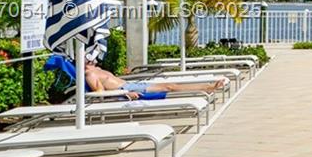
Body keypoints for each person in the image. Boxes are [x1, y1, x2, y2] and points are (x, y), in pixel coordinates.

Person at [84, 61, 223, 100]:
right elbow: (100, 94)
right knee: (169, 87)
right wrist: (124, 95)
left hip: (131, 85)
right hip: (127, 90)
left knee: (170, 85)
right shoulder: (90, 74)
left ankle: (207, 87)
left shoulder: (96, 68)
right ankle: (207, 87)